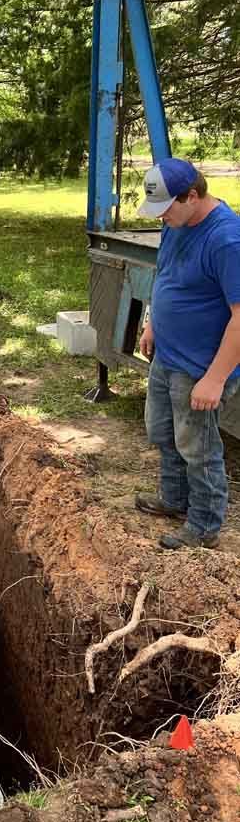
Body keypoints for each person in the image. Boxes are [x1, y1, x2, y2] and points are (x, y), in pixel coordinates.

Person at [134, 157, 240, 550]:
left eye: (165, 209)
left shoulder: (227, 240)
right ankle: (174, 499)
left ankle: (204, 527)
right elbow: (166, 274)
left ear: (191, 196)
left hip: (200, 366)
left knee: (198, 448)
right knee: (162, 432)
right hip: (168, 355)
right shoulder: (176, 223)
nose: (160, 218)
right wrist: (152, 322)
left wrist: (214, 378)